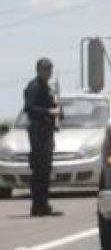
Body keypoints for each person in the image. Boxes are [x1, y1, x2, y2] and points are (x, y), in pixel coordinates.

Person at [23, 58, 62, 217]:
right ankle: (37, 205)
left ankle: (44, 204)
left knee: (45, 170)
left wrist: (59, 111)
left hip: (46, 131)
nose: (48, 72)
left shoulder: (47, 87)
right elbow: (29, 108)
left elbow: (52, 104)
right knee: (39, 170)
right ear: (38, 70)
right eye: (45, 69)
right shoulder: (33, 87)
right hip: (38, 132)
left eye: (50, 69)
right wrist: (48, 112)